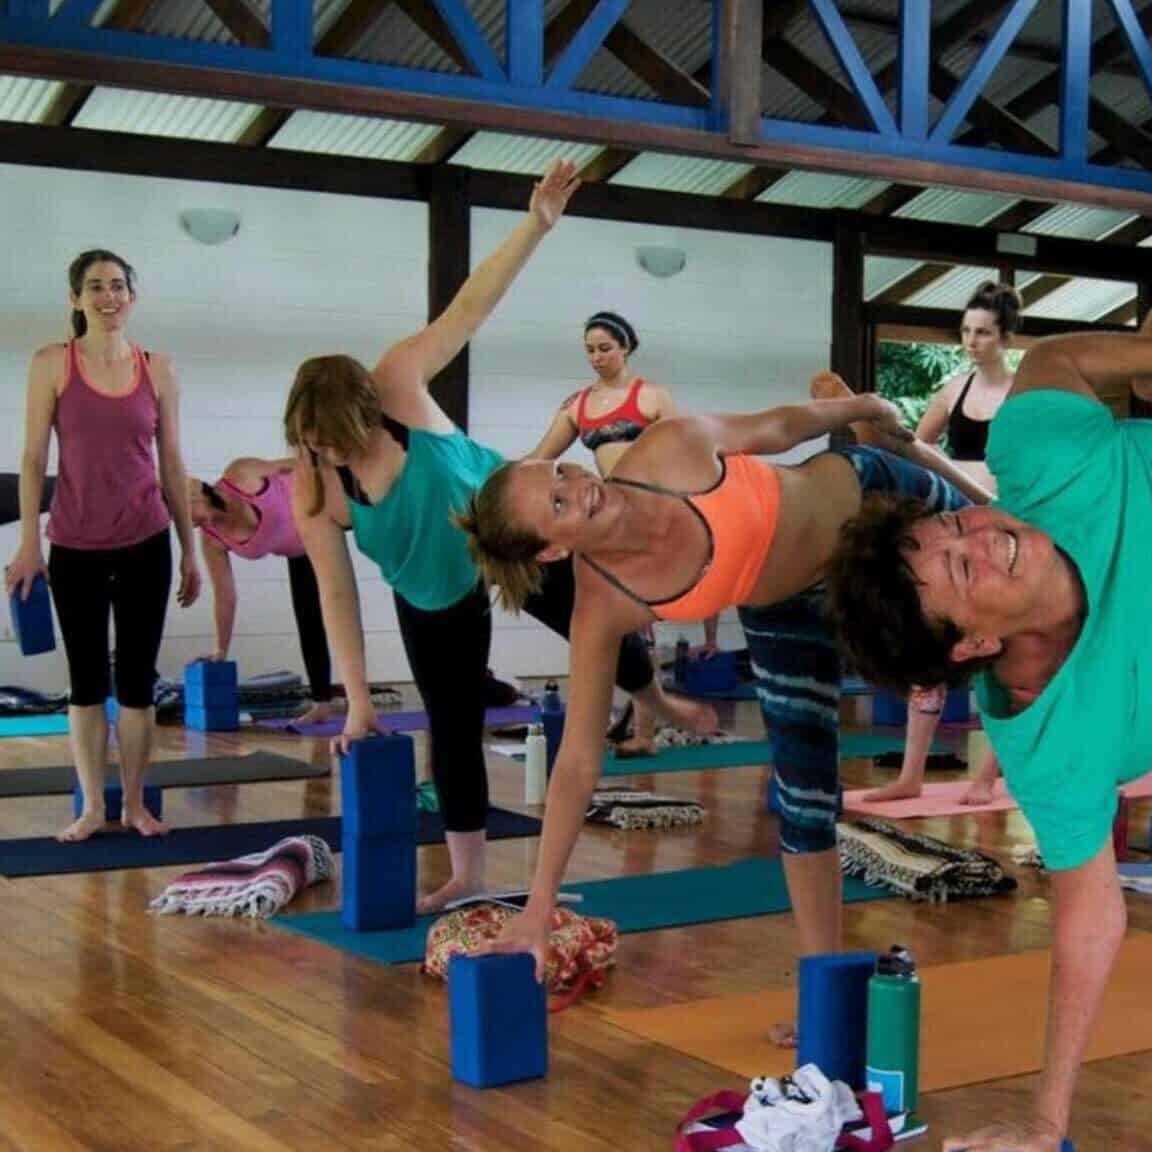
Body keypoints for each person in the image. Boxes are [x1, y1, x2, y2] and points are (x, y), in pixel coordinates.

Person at [458, 377, 988, 1030]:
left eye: (562, 471)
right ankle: (823, 995)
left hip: (871, 495)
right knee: (803, 795)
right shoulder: (603, 604)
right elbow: (574, 766)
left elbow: (781, 423)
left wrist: (858, 409)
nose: (580, 486)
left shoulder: (669, 448)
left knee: (993, 555)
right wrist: (538, 910)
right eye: (559, 504)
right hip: (786, 607)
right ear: (553, 548)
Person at [282, 160, 710, 914]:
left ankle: (659, 700)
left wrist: (536, 225)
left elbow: (469, 308)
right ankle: (467, 874)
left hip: (505, 528)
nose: (334, 455)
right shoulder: (316, 484)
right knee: (452, 725)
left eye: (342, 441)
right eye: (319, 445)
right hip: (432, 590)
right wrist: (355, 701)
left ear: (366, 407)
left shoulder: (399, 382)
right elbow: (335, 593)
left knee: (597, 626)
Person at [823, 314, 1152, 1152]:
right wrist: (1047, 1120)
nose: (987, 534)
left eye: (957, 530)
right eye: (963, 568)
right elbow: (1087, 911)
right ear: (970, 645)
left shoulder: (1040, 454)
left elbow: (1057, 355)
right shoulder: (1048, 739)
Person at [6, 249, 200, 842]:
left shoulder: (158, 368)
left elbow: (171, 462)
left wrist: (191, 549)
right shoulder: (51, 364)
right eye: (96, 286)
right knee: (87, 680)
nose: (108, 296)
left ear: (132, 298)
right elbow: (34, 457)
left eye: (118, 286)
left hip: (146, 540)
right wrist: (26, 546)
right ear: (75, 299)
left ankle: (136, 804)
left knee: (138, 682)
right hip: (74, 543)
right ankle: (92, 806)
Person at [859, 282, 1020, 806]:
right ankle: (909, 775)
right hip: (957, 517)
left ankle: (987, 777)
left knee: (999, 652)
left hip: (1003, 528)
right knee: (935, 645)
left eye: (983, 333)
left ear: (1005, 337)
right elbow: (918, 449)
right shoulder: (953, 390)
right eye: (967, 332)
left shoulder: (1024, 393)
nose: (972, 341)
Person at [529, 310, 718, 751]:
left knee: (645, 614)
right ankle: (641, 729)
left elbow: (689, 451)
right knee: (627, 625)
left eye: (605, 348)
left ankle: (644, 726)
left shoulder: (651, 397)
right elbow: (538, 459)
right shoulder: (577, 405)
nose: (596, 358)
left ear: (626, 347)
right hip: (605, 519)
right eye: (589, 350)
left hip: (654, 513)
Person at [187, 458, 332, 726]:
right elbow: (225, 596)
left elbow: (295, 464)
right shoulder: (211, 539)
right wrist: (221, 648)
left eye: (186, 515)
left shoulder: (240, 474)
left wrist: (328, 486)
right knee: (309, 619)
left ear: (196, 497)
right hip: (301, 550)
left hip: (323, 512)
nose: (190, 525)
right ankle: (322, 703)